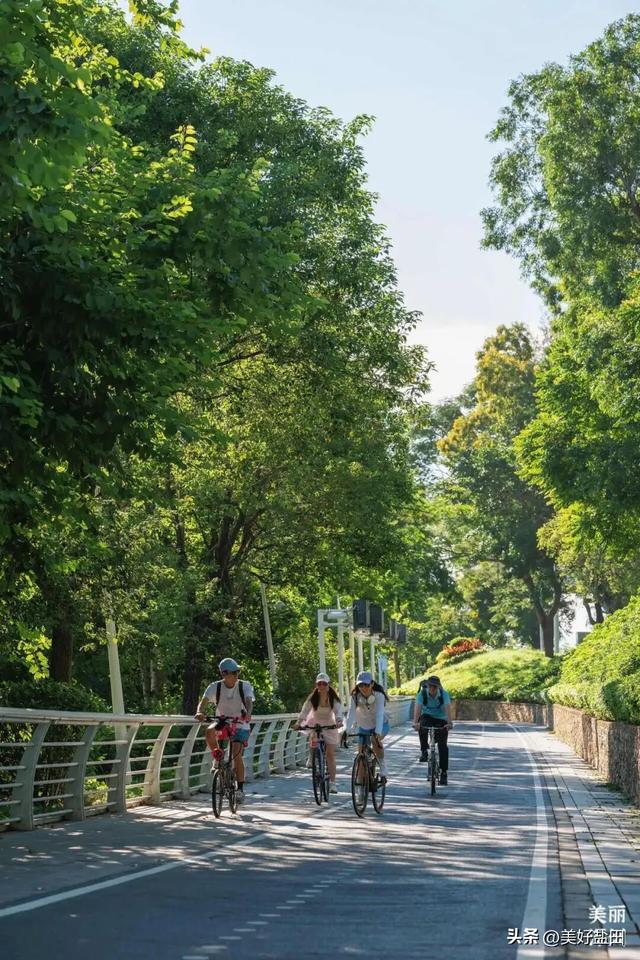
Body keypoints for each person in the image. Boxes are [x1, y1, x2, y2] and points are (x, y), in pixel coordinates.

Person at [195, 657, 254, 804]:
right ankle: (218, 756)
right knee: (209, 731)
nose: (236, 675)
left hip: (240, 723)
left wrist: (248, 713)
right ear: (224, 674)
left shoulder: (244, 686)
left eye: (237, 672)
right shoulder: (215, 687)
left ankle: (240, 789)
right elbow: (203, 702)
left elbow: (248, 701)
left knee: (236, 755)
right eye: (233, 672)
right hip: (222, 720)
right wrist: (199, 712)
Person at [294, 673, 344, 793]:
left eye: (324, 683)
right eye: (319, 683)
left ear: (328, 685)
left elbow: (338, 711)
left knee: (330, 755)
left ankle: (332, 783)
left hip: (329, 724)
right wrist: (298, 723)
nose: (321, 686)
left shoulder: (333, 698)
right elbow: (305, 711)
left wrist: (339, 721)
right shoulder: (313, 697)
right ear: (316, 685)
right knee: (314, 735)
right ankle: (312, 756)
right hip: (315, 722)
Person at [344, 670, 389, 780]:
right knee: (361, 755)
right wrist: (346, 731)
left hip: (380, 724)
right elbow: (351, 714)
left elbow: (379, 714)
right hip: (364, 726)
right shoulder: (355, 696)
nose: (363, 688)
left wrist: (377, 732)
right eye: (360, 685)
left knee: (375, 740)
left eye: (366, 685)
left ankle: (382, 766)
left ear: (372, 684)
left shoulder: (378, 695)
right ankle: (361, 787)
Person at [413, 674, 452, 785]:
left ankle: (444, 772)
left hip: (441, 719)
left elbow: (448, 708)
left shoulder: (444, 694)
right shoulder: (422, 694)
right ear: (427, 686)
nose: (432, 689)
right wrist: (415, 723)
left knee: (442, 745)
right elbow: (418, 708)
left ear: (439, 687)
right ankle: (424, 751)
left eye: (435, 687)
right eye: (430, 686)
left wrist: (449, 723)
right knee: (422, 726)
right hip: (427, 716)